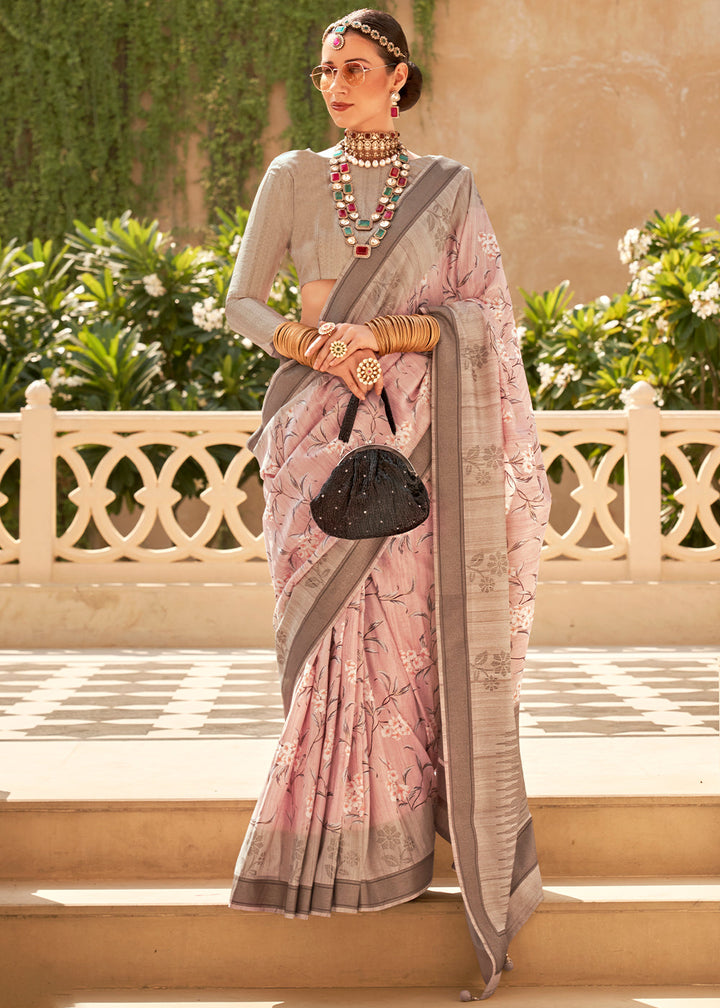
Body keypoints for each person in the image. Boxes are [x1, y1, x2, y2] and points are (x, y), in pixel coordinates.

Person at [225, 8, 551, 1000]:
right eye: (325, 69)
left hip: (414, 439)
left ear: (398, 80)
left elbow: (487, 321)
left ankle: (400, 847)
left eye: (354, 68)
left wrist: (403, 334)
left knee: (406, 653)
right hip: (313, 436)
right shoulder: (291, 178)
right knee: (324, 641)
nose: (334, 84)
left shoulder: (447, 191)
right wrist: (320, 345)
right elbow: (243, 303)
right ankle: (316, 849)